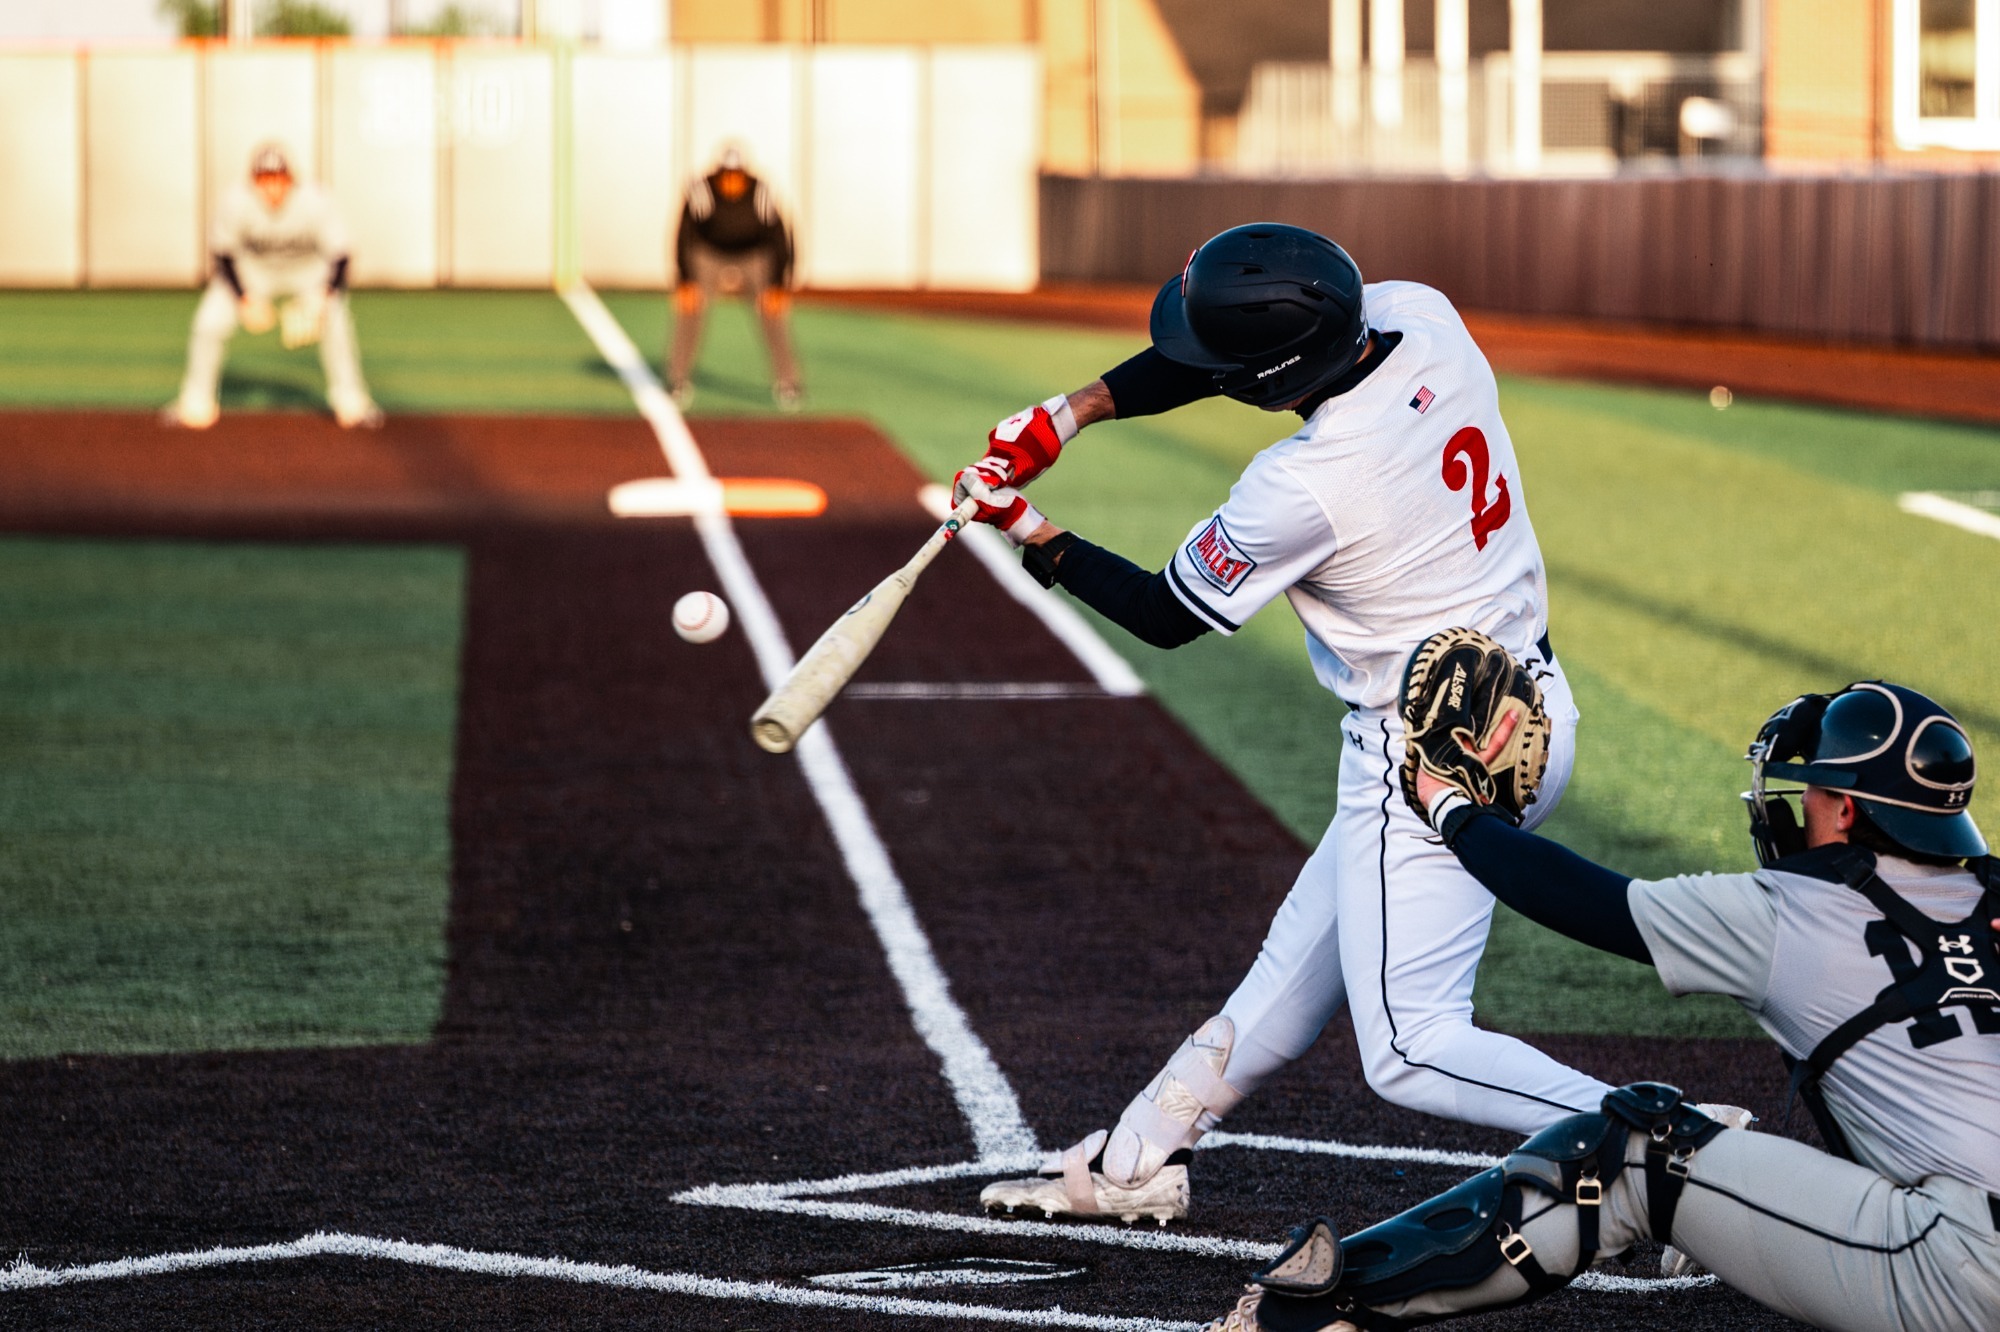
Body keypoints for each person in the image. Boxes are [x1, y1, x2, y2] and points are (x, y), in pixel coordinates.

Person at [964, 222, 1651, 1226]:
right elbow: (1237, 358)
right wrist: (1068, 414)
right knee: (1293, 968)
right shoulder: (1423, 316)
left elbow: (1165, 614)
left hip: (1421, 762)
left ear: (1263, 379)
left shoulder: (1303, 485)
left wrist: (1027, 528)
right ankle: (1135, 1158)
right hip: (1530, 713)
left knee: (1411, 1047)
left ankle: (1668, 1144)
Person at [1199, 678, 1999, 1332]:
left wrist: (1450, 806)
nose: (1794, 808)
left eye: (1812, 792)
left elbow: (1586, 901)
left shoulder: (1796, 911)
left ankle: (1316, 1312)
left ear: (1848, 810)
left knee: (1633, 1149)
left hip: (1959, 1270)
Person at [162, 143, 381, 430]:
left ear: (291, 180)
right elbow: (223, 255)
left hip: (307, 271)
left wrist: (322, 297)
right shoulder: (236, 201)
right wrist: (244, 299)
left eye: (278, 179)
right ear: (253, 181)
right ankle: (195, 401)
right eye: (265, 180)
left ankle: (351, 402)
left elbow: (341, 256)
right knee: (209, 322)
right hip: (253, 271)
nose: (272, 187)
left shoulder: (315, 200)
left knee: (336, 322)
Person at [667, 146, 802, 411]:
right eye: (726, 175)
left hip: (754, 255)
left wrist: (778, 284)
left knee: (772, 315)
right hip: (710, 253)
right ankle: (677, 379)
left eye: (736, 175)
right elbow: (684, 234)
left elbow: (779, 237)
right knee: (691, 310)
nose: (731, 181)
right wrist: (685, 279)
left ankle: (788, 382)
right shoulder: (701, 191)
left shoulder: (762, 192)